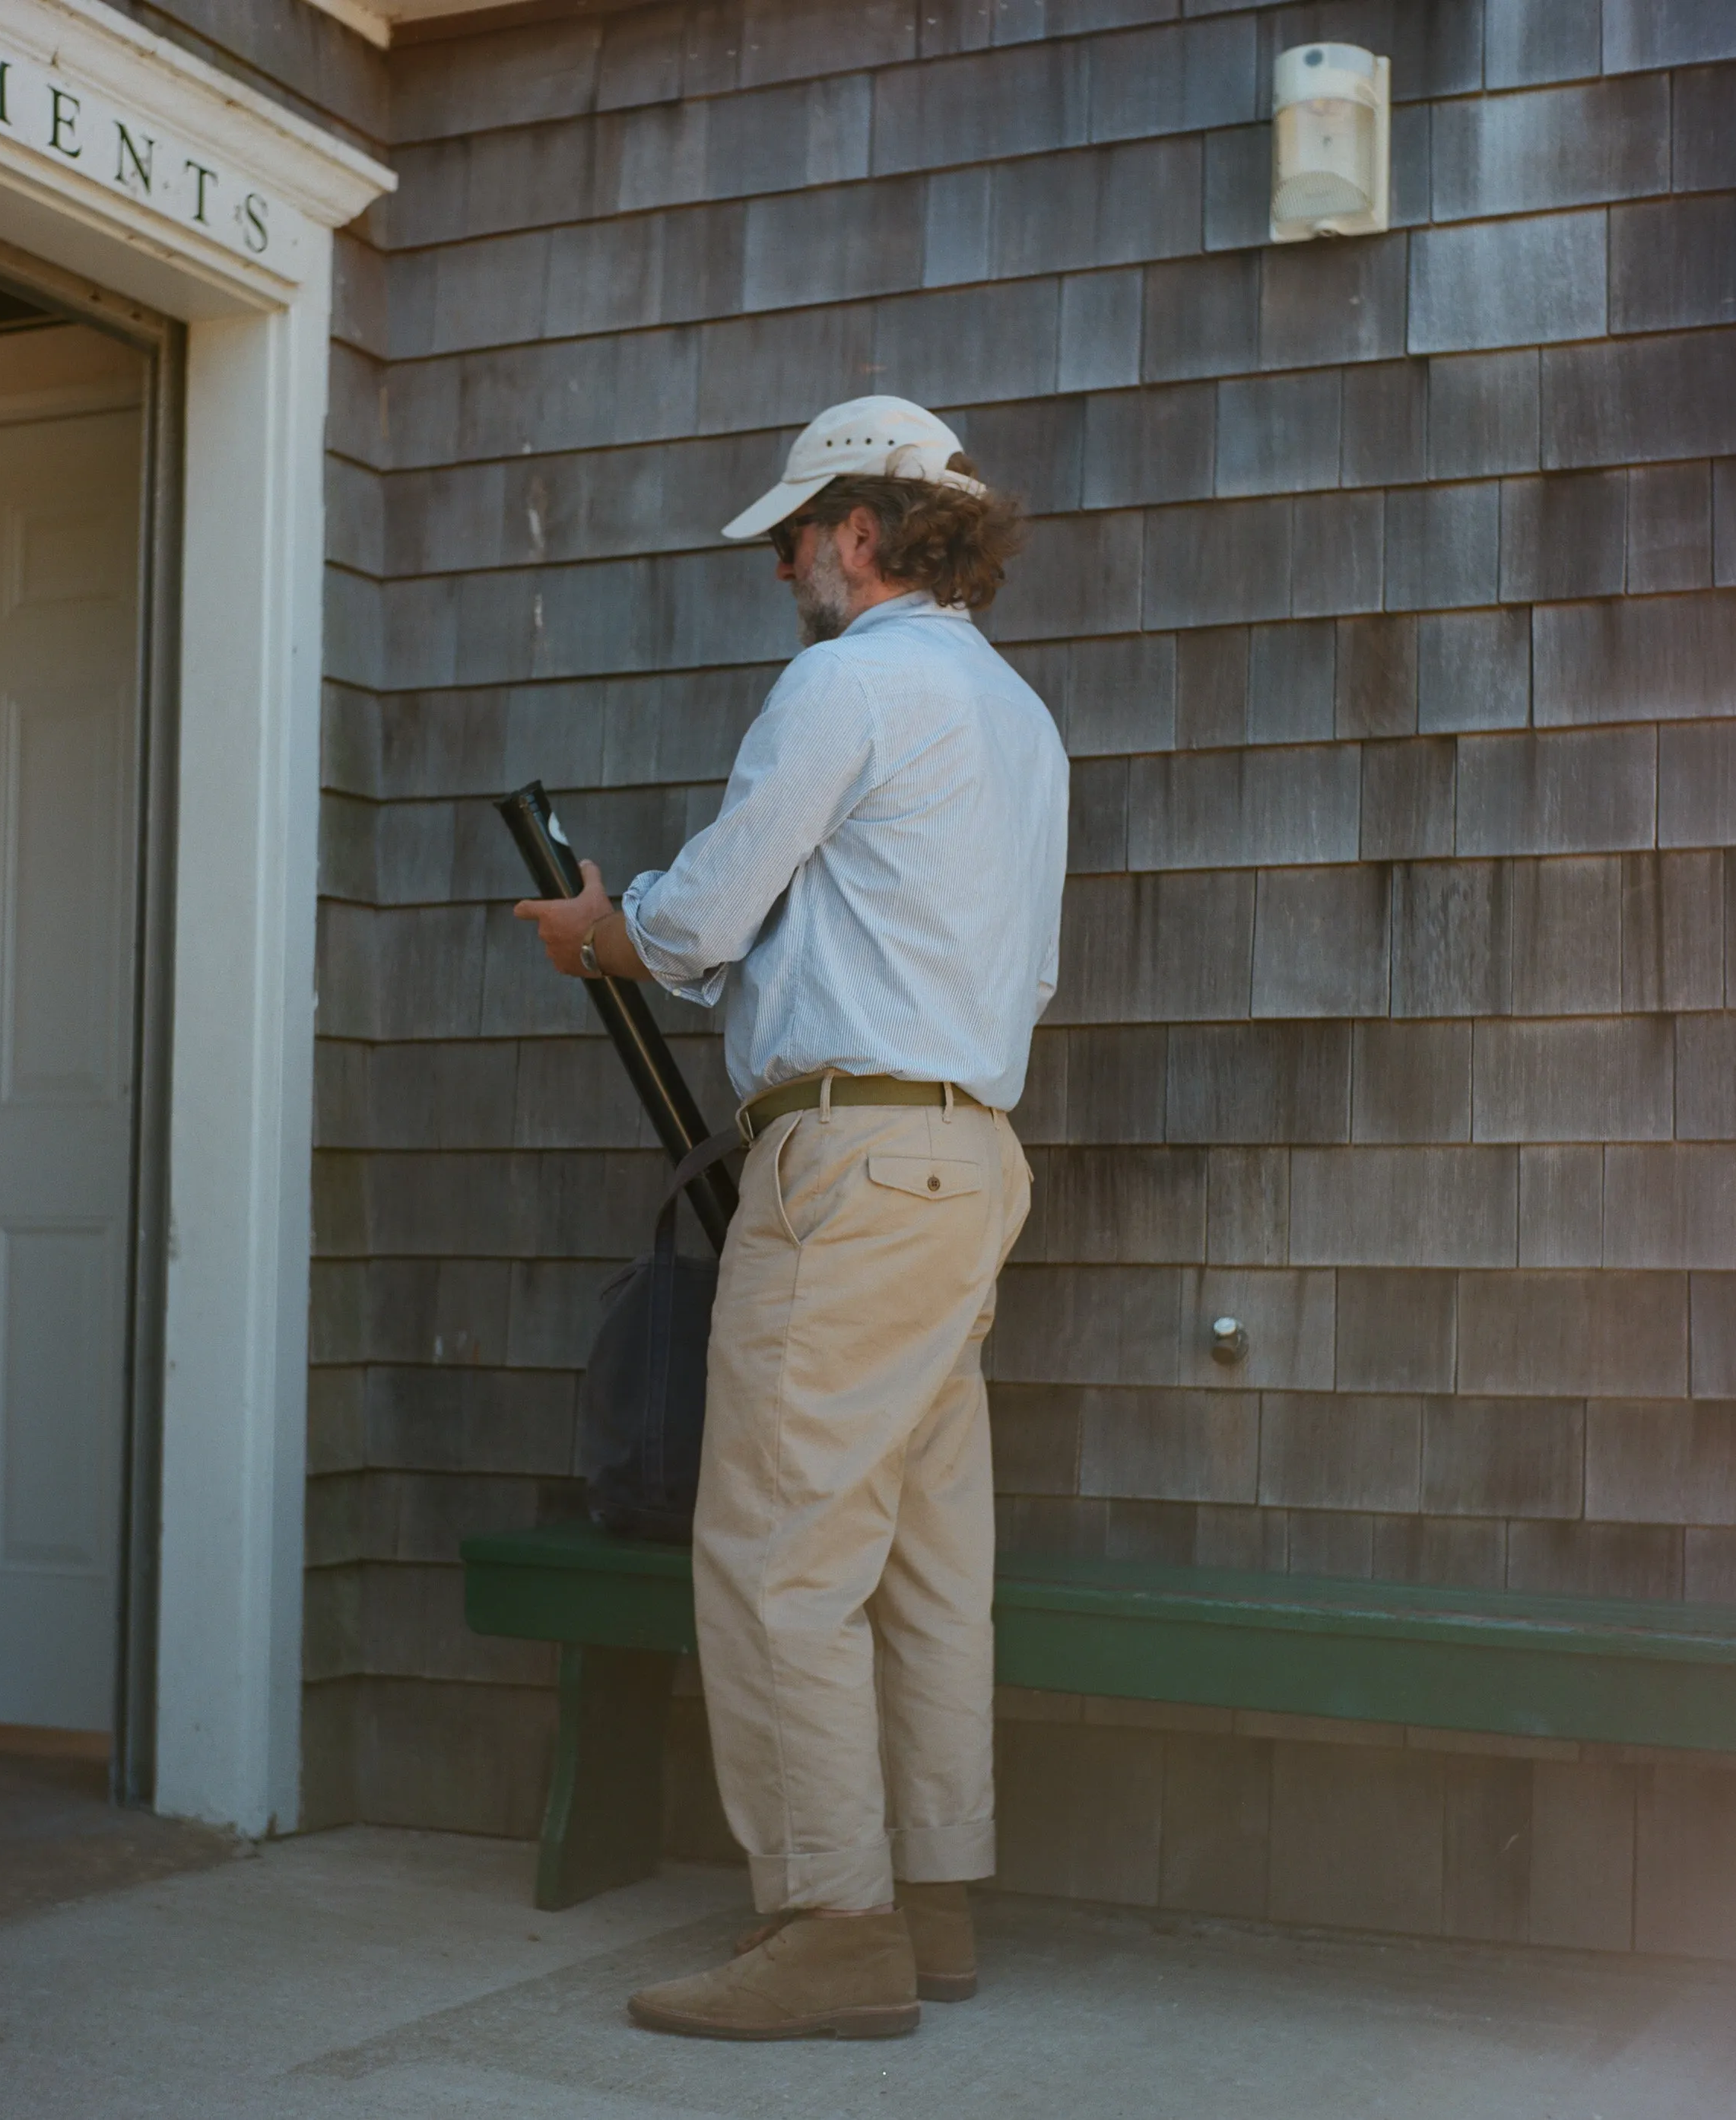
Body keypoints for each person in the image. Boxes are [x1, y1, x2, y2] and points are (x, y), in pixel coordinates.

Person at [515, 395, 1069, 2040]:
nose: (779, 566)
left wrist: (604, 930)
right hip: (968, 1161)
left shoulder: (846, 680)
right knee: (919, 1549)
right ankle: (932, 1894)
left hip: (849, 1168)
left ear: (858, 530)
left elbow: (699, 917)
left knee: (776, 1548)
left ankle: (831, 1919)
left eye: (790, 535)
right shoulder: (1017, 716)